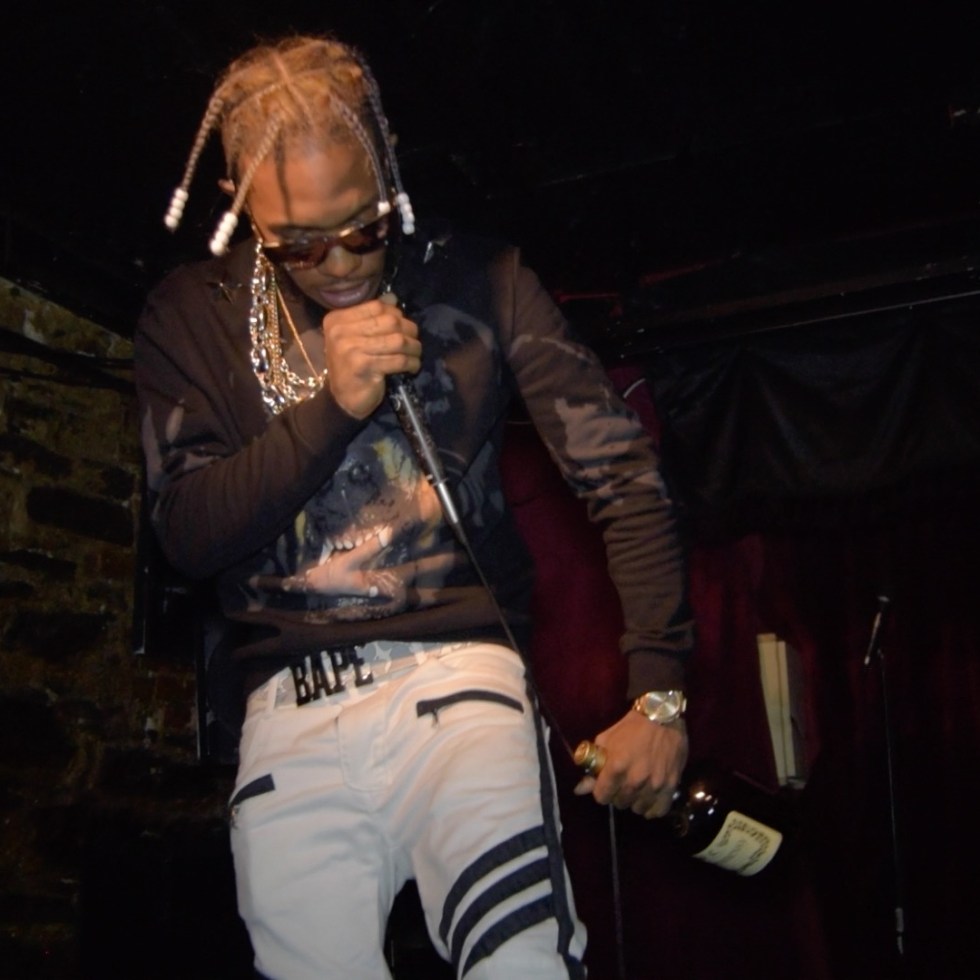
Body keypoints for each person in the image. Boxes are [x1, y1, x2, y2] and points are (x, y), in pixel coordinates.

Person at [136, 33, 694, 980]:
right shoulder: (188, 317)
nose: (338, 264)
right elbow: (187, 534)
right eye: (298, 243)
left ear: (388, 168)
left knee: (519, 961)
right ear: (240, 204)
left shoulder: (483, 280)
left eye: (361, 228)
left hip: (461, 688)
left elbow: (621, 473)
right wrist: (333, 409)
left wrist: (661, 693)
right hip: (290, 715)